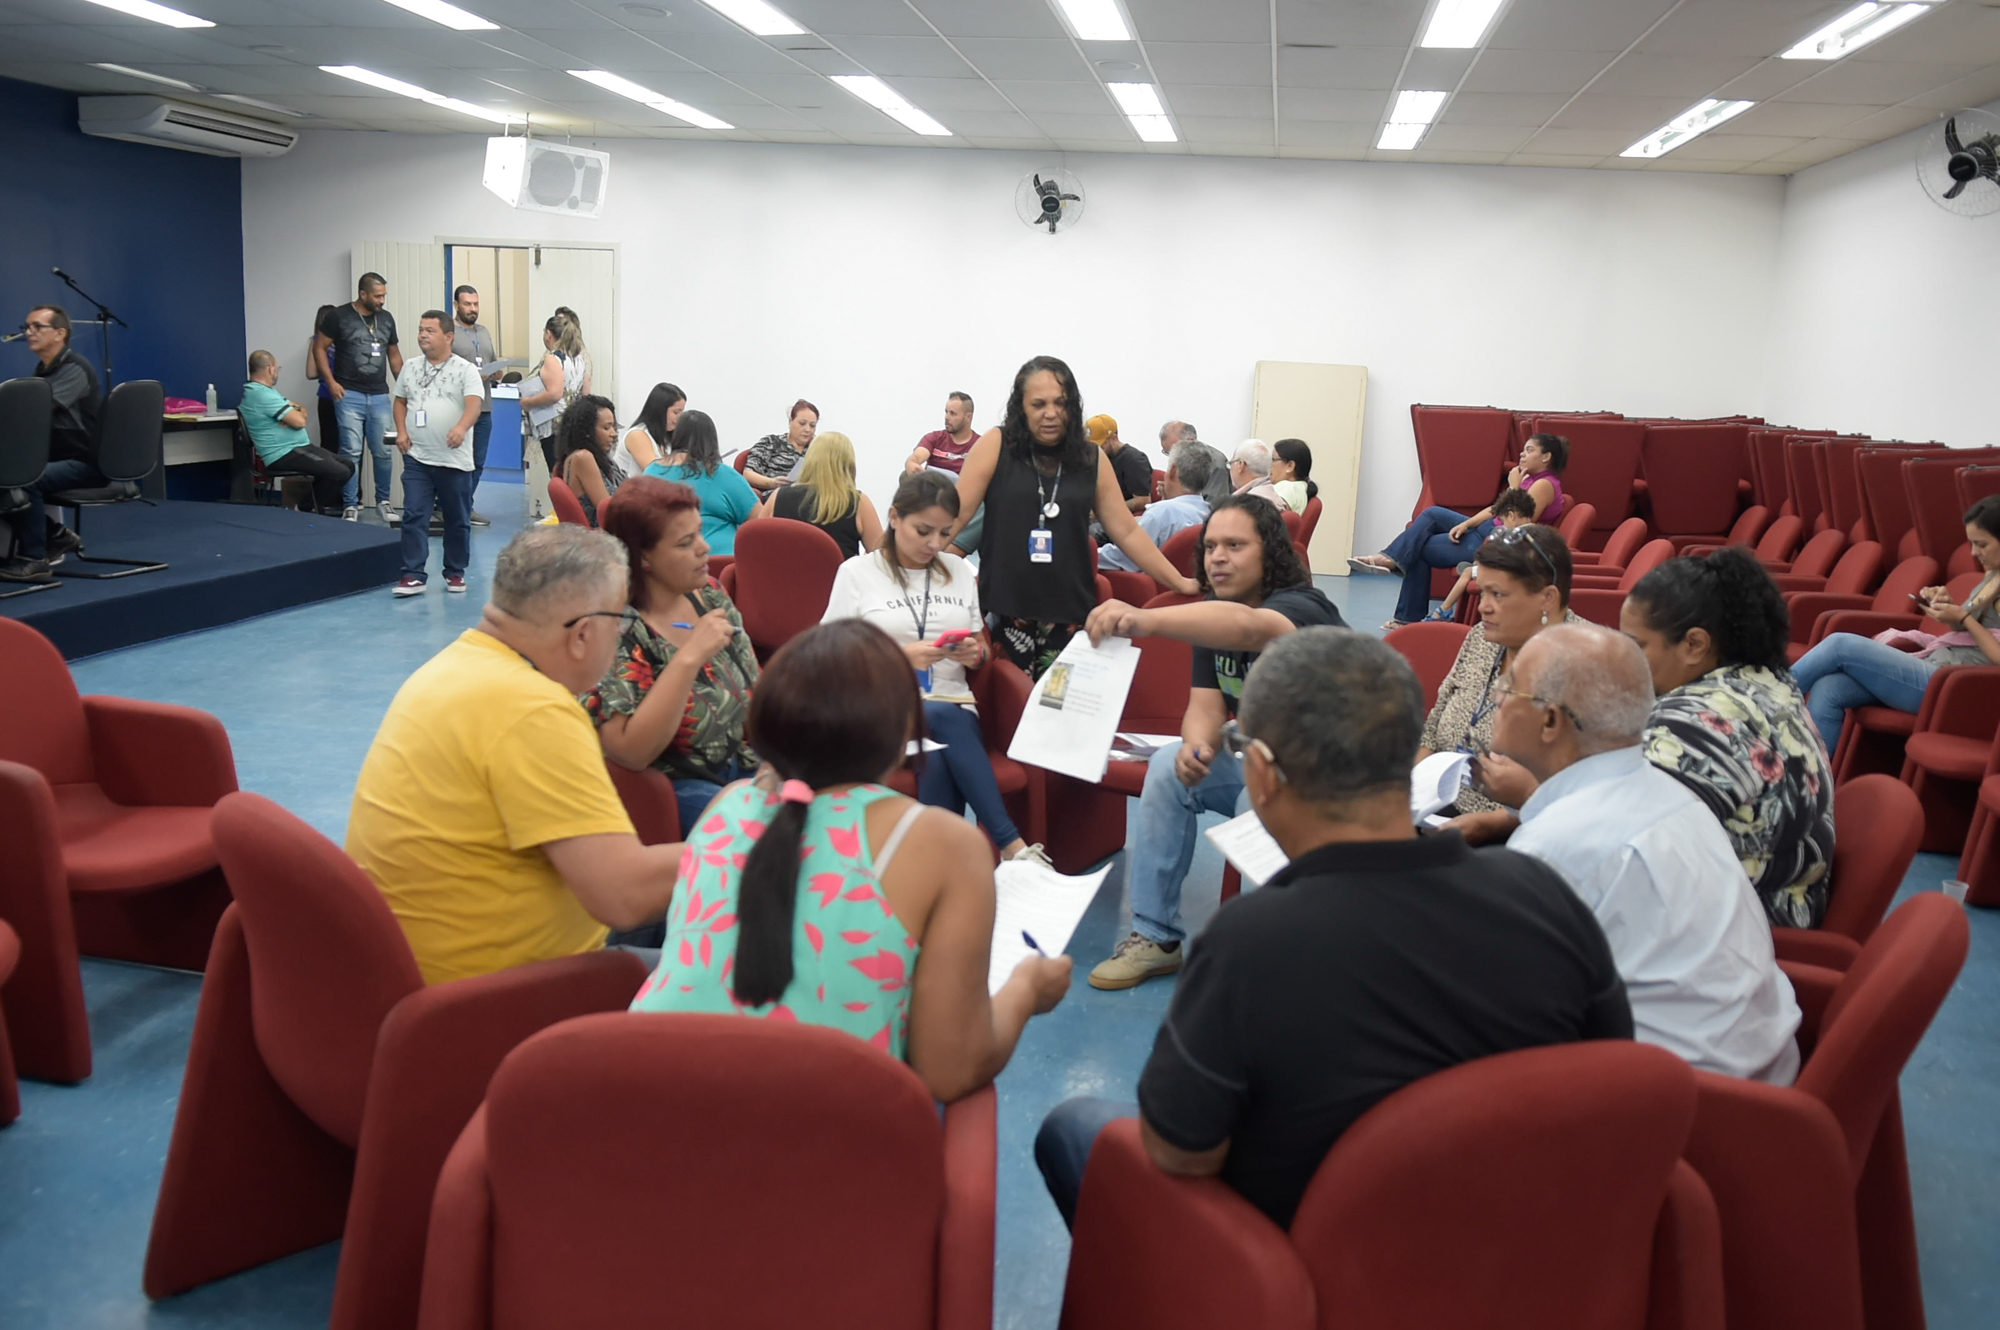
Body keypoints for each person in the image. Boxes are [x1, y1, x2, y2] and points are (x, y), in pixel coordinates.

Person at [1033, 628, 1632, 1231]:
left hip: (1307, 1254)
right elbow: (1609, 1077)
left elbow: (1179, 1152)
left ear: (1261, 773)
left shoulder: (1250, 942)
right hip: (1513, 1234)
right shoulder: (1545, 897)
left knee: (1072, 1126)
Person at [628, 619, 1072, 1100]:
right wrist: (1027, 988)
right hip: (817, 1127)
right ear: (903, 732)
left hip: (651, 1105)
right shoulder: (943, 843)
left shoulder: (727, 805)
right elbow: (951, 1069)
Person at [348, 525, 683, 986]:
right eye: (620, 621)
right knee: (744, 978)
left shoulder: (456, 666)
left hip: (429, 974)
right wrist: (750, 843)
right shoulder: (534, 711)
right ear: (582, 634)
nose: (622, 634)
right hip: (506, 997)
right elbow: (623, 897)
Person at [1498, 624, 1803, 1084]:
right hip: (1752, 1066)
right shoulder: (1673, 794)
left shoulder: (1558, 844)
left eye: (1509, 686)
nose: (1498, 697)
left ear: (1550, 722)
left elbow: (1507, 1012)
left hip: (1683, 1100)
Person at [1080, 495, 1346, 988]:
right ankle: (1155, 937)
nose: (1217, 558)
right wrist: (1196, 748)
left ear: (1270, 553)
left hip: (1331, 777)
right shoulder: (1213, 614)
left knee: (1256, 799)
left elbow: (1250, 629)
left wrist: (1145, 619)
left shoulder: (1303, 606)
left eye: (1235, 546)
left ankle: (1277, 952)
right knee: (1167, 767)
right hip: (1264, 759)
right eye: (1210, 547)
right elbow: (1205, 706)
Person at [822, 470, 1049, 865]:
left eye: (945, 533)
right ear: (894, 517)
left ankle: (934, 870)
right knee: (941, 717)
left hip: (953, 706)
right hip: (882, 709)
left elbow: (982, 649)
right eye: (923, 531)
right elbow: (830, 655)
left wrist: (974, 655)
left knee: (940, 750)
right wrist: (899, 658)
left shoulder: (958, 571)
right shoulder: (857, 573)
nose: (935, 544)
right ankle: (1010, 845)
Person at [947, 356, 1199, 676]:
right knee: (1010, 701)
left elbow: (1127, 531)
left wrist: (1178, 581)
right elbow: (955, 514)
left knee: (1059, 705)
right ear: (1020, 407)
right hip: (1005, 609)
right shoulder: (997, 444)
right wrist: (903, 559)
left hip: (1069, 613)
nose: (1051, 413)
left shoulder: (1091, 457)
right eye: (1038, 404)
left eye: (1061, 403)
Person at [588, 475, 761, 841]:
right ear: (643, 557)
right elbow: (630, 753)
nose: (704, 548)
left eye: (700, 533)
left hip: (743, 764)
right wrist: (689, 658)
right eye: (686, 542)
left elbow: (754, 689)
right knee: (768, 835)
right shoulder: (619, 628)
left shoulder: (709, 596)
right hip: (678, 786)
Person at [1791, 494, 2000, 753]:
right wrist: (1948, 608)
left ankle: (1763, 700)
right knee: (1829, 688)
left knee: (1840, 644)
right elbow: (1971, 633)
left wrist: (1963, 618)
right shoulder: (1992, 575)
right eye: (1972, 544)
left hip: (1956, 688)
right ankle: (1810, 776)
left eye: (1982, 544)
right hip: (1938, 666)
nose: (1974, 553)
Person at [1419, 524, 1582, 844]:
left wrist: (1496, 824)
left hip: (1524, 835)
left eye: (1498, 594)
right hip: (1436, 810)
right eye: (1482, 592)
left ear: (1548, 598)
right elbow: (1435, 725)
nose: (1483, 606)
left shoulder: (1587, 664)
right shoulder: (1482, 637)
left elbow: (1586, 790)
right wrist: (1410, 794)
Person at [1356, 433, 1570, 628]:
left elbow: (1519, 520)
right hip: (1485, 529)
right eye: (1523, 450)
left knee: (1417, 548)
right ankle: (1390, 559)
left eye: (1530, 450)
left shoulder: (1544, 484)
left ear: (1546, 457)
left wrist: (1514, 486)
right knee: (1433, 514)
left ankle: (1404, 608)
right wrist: (1467, 524)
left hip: (1497, 542)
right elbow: (1497, 508)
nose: (1523, 454)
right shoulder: (1528, 479)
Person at [1, 304, 100, 582]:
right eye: (27, 327)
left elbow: (37, 411)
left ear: (60, 333)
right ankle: (55, 535)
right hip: (56, 456)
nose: (29, 332)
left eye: (37, 327)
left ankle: (35, 560)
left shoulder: (74, 369)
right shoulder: (45, 370)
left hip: (83, 461)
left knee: (23, 480)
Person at [390, 311, 484, 598]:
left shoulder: (465, 370)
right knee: (414, 515)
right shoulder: (410, 367)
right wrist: (401, 431)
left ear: (448, 337)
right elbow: (400, 402)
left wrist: (461, 427)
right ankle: (412, 575)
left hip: (454, 461)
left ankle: (455, 571)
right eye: (421, 329)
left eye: (430, 331)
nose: (423, 335)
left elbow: (474, 405)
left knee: (456, 519)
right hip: (417, 457)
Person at [315, 272, 403, 522]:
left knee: (383, 452)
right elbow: (319, 347)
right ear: (362, 294)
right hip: (349, 394)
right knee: (351, 451)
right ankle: (351, 504)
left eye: (384, 295)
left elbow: (394, 355)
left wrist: (405, 388)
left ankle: (383, 502)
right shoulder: (338, 316)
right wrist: (330, 382)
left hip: (379, 395)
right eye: (377, 296)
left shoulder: (386, 319)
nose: (382, 300)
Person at [240, 349, 352, 515]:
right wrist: (294, 413)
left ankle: (312, 506)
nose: (277, 372)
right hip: (283, 453)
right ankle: (304, 509)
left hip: (298, 447)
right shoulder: (260, 394)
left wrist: (295, 411)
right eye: (278, 368)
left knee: (348, 466)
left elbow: (300, 408)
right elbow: (300, 422)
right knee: (339, 472)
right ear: (271, 368)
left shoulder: (266, 391)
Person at [643, 408, 760, 556]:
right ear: (711, 440)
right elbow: (761, 521)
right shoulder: (722, 473)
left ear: (676, 436)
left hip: (667, 562)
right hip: (722, 562)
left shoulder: (651, 472)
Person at [1098, 440, 1226, 574]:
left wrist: (1090, 553)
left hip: (1145, 584)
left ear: (1173, 470)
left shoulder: (1160, 514)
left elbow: (1121, 558)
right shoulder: (1210, 514)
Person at [751, 430, 881, 556]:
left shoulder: (778, 496)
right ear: (848, 464)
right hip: (837, 571)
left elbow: (754, 544)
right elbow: (883, 556)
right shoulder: (859, 503)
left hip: (783, 570)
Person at [1423, 487, 1536, 623]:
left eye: (1504, 520)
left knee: (1467, 573)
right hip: (1520, 571)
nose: (1504, 525)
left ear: (1511, 516)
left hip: (1508, 572)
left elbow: (1507, 558)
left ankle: (1444, 609)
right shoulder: (1536, 531)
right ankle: (1476, 565)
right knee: (1478, 564)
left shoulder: (1514, 534)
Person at [449, 283, 501, 528]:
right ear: (456, 305)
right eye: (467, 304)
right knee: (457, 462)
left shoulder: (484, 331)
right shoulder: (449, 332)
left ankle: (465, 506)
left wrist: (497, 371)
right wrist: (470, 375)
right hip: (458, 409)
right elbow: (443, 367)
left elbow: (493, 361)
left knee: (477, 462)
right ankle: (450, 507)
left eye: (476, 304)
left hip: (484, 407)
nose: (472, 309)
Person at [555, 393, 626, 526]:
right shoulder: (583, 458)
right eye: (606, 427)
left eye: (614, 427)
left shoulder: (591, 458)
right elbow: (607, 511)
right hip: (605, 534)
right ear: (587, 430)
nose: (613, 433)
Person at [743, 399, 818, 494]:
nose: (807, 430)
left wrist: (819, 446)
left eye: (812, 426)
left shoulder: (816, 449)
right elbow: (748, 474)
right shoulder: (771, 442)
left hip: (809, 495)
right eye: (802, 424)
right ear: (790, 421)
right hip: (776, 495)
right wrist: (772, 483)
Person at [1088, 414, 1154, 516]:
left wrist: (1104, 511)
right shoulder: (1098, 457)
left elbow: (1143, 500)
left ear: (1114, 438)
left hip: (1121, 517)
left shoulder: (1134, 459)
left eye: (1101, 445)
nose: (1097, 450)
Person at [617, 381, 684, 476]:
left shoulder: (665, 438)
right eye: (676, 412)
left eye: (682, 412)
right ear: (660, 410)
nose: (680, 418)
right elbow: (655, 472)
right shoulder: (637, 435)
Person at [905, 391, 977, 476]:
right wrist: (912, 463)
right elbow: (916, 457)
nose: (947, 417)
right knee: (904, 476)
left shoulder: (980, 444)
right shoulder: (934, 438)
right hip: (933, 484)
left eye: (953, 413)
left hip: (965, 484)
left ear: (968, 417)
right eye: (946, 412)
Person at [306, 302, 339, 459]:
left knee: (328, 443)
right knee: (349, 444)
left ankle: (327, 475)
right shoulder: (345, 340)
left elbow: (311, 373)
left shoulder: (316, 341)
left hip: (326, 396)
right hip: (347, 396)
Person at [1226, 438, 1286, 510]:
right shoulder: (1277, 497)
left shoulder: (1245, 505)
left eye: (1231, 463)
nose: (1230, 469)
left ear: (1240, 465)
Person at [1269, 438, 1316, 516]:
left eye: (1273, 459)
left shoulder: (1286, 487)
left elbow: (1264, 518)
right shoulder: (1301, 488)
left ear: (1290, 466)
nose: (1270, 464)